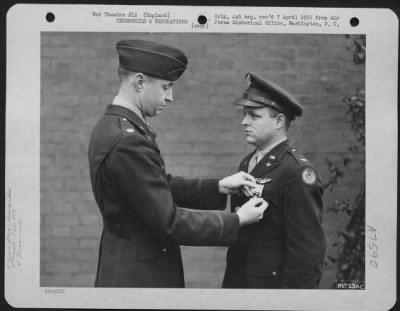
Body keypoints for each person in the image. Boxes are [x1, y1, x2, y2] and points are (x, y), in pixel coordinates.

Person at [88, 40, 268, 288]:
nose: (170, 97)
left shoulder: (112, 127)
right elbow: (169, 222)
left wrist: (218, 187)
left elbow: (152, 189)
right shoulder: (128, 140)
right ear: (140, 82)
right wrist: (236, 221)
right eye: (166, 87)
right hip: (140, 278)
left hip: (125, 266)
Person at [222, 72, 326, 289]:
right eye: (244, 114)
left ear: (279, 121)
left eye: (254, 116)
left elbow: (307, 254)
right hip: (238, 282)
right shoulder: (248, 162)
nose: (244, 122)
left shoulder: (296, 171)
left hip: (270, 289)